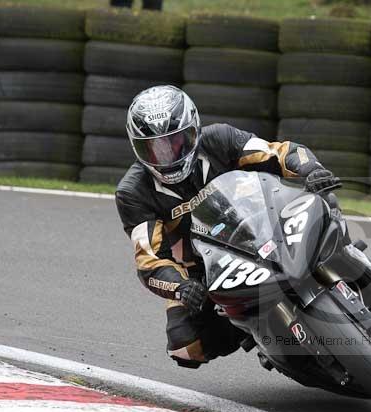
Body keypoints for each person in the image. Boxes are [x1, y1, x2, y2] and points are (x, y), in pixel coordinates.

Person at [115, 85, 340, 369]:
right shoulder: (133, 192)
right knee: (185, 347)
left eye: (174, 142)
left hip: (263, 224)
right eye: (155, 148)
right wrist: (180, 287)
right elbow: (149, 259)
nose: (167, 156)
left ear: (193, 130)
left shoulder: (220, 138)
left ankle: (344, 258)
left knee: (324, 198)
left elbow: (279, 152)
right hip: (203, 266)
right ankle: (256, 332)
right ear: (137, 147)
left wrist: (311, 169)